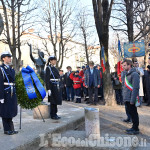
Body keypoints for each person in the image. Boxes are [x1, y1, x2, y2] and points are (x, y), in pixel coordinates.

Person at [0, 51, 18, 135]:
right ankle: (6, 129)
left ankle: (11, 128)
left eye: (10, 57)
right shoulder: (1, 68)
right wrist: (1, 97)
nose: (10, 58)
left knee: (10, 110)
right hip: (5, 92)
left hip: (11, 91)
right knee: (5, 111)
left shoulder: (11, 69)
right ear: (3, 58)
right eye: (8, 57)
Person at [122, 59, 140, 135]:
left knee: (134, 113)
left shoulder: (134, 74)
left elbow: (135, 88)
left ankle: (136, 128)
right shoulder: (127, 74)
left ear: (129, 65)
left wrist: (132, 100)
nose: (123, 67)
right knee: (131, 113)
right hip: (127, 97)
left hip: (131, 98)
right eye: (123, 65)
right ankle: (133, 127)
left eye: (125, 65)